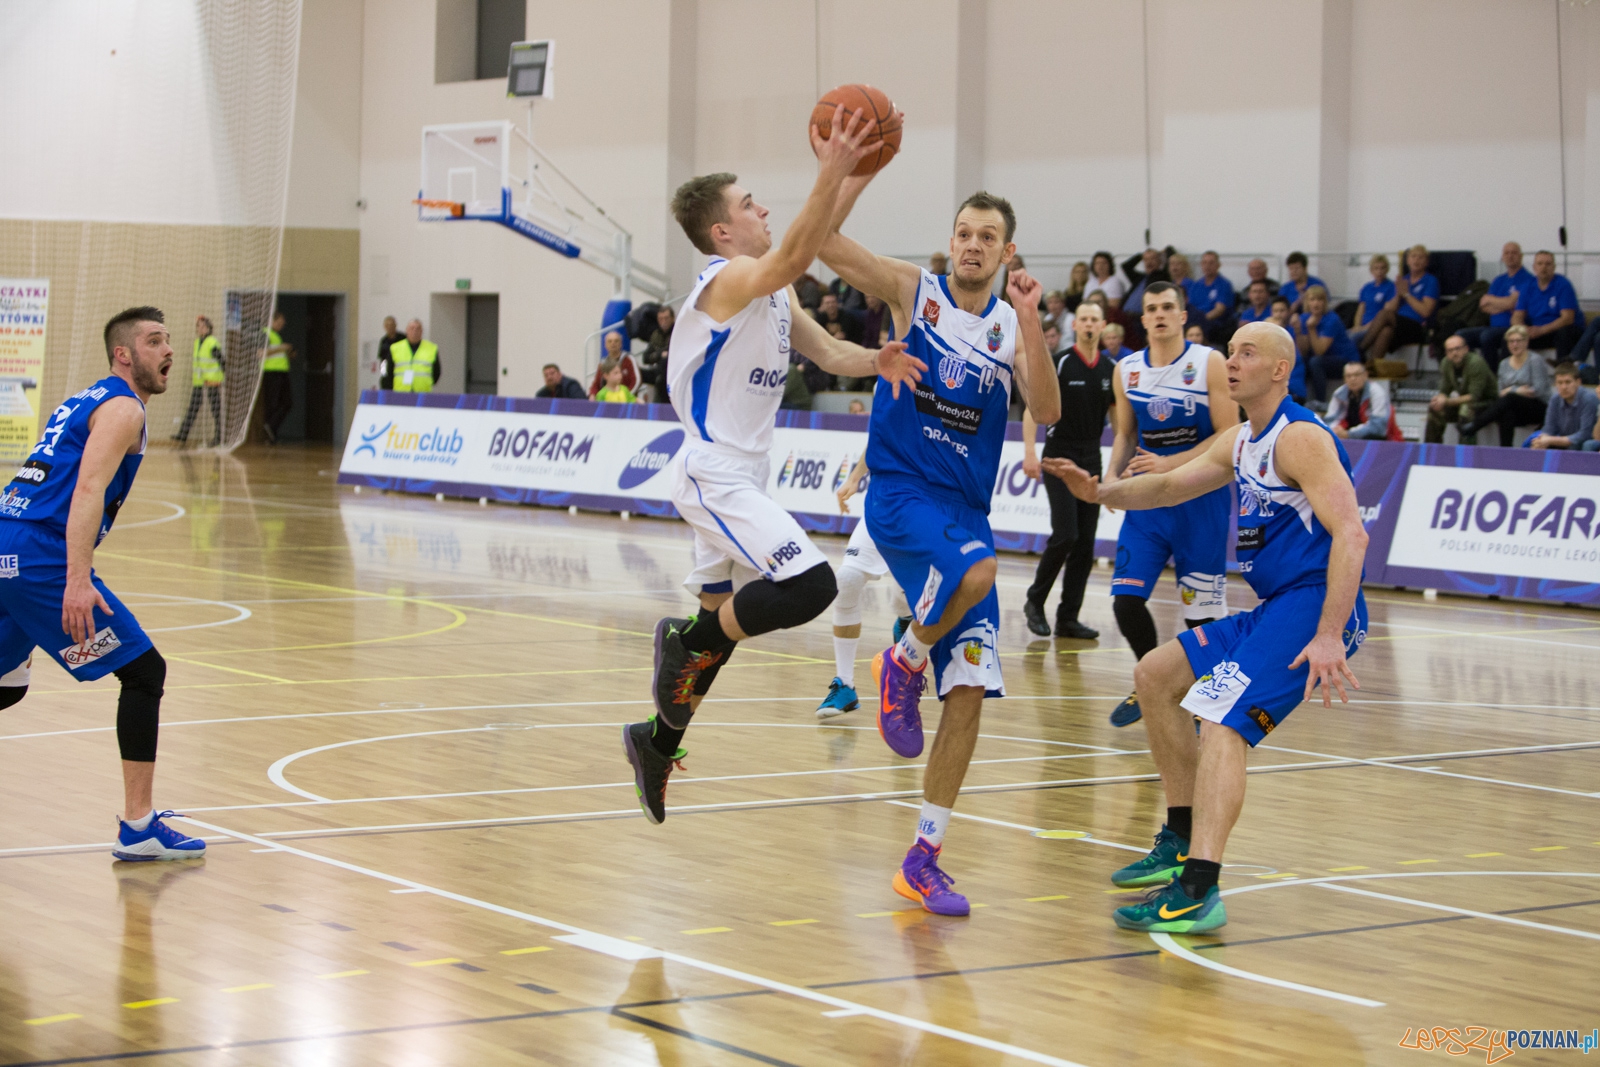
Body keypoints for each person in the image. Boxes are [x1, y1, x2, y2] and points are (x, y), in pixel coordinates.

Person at [622, 107, 926, 828]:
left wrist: (874, 360)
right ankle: (681, 643)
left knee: (714, 632)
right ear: (723, 231)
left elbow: (825, 350)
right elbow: (795, 253)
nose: (763, 208)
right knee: (810, 584)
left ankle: (657, 741)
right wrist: (833, 169)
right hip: (713, 471)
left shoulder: (775, 286)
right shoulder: (725, 279)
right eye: (749, 203)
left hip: (746, 474)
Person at [1042, 321, 1369, 933]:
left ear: (1279, 370)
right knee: (1155, 675)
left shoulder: (1299, 438)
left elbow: (1352, 533)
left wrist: (1329, 634)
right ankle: (1181, 833)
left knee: (1221, 723)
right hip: (1276, 605)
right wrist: (1100, 492)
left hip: (1312, 605)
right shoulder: (1243, 439)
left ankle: (1199, 886)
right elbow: (1166, 486)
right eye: (1229, 352)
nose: (1231, 361)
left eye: (1246, 353)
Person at [820, 183, 1058, 917]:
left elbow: (1046, 411)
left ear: (1007, 250)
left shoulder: (1011, 326)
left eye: (987, 235)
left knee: (969, 692)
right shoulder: (911, 290)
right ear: (950, 240)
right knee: (979, 568)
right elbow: (825, 244)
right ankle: (904, 657)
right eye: (963, 232)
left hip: (962, 508)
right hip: (900, 492)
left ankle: (922, 857)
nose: (973, 244)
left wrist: (1031, 322)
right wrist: (844, 176)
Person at [0, 306, 204, 861]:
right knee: (144, 672)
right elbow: (88, 489)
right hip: (39, 554)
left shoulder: (90, 397)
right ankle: (138, 827)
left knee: (6, 685)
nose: (168, 350)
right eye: (154, 340)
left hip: (9, 540)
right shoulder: (122, 409)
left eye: (168, 339)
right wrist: (76, 579)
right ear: (124, 354)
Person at [1104, 282, 1236, 730]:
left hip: (1201, 500)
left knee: (1201, 614)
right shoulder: (1126, 370)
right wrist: (1109, 480)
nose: (1159, 315)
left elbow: (1228, 434)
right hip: (1149, 502)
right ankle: (1155, 679)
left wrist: (1169, 463)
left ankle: (1202, 698)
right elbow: (1125, 435)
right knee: (1125, 601)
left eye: (1167, 308)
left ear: (1183, 316)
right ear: (1141, 320)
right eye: (1151, 309)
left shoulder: (1208, 363)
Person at [1022, 299, 1114, 641]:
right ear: (1075, 326)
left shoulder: (1110, 369)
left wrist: (1117, 472)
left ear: (1103, 326)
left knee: (1086, 545)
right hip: (1058, 458)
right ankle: (1035, 600)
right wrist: (1030, 451)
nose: (1089, 324)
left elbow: (1120, 426)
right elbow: (1033, 407)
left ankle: (1068, 618)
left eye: (1095, 319)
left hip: (1091, 461)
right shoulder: (1059, 363)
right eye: (1084, 319)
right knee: (1066, 534)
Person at [816, 456, 912, 718]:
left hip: (922, 502)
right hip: (883, 501)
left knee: (904, 596)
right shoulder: (896, 413)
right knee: (847, 579)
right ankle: (845, 685)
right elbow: (878, 435)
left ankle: (905, 620)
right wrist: (855, 477)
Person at [1460, 326, 1552, 446]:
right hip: (1515, 408)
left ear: (1526, 341)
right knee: (1506, 412)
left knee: (1510, 398)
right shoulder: (1504, 364)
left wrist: (1512, 389)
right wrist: (1520, 390)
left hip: (1538, 407)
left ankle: (1475, 426)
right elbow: (1500, 392)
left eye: (1518, 341)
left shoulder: (1535, 360)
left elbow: (1538, 391)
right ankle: (1505, 451)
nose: (1514, 344)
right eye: (1511, 341)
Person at [1457, 242, 1533, 372]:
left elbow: (1513, 303)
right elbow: (1484, 306)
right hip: (1493, 327)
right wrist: (1505, 303)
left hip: (1510, 328)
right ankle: (1469, 374)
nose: (1510, 256)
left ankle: (1492, 377)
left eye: (1514, 253)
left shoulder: (1528, 279)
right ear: (1502, 257)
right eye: (1506, 253)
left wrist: (1495, 302)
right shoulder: (1499, 280)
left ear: (1521, 256)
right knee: (1461, 336)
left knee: (1487, 337)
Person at [1293, 285, 1360, 403]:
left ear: (1325, 302)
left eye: (1320, 299)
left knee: (1315, 361)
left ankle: (1320, 402)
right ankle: (1297, 397)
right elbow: (1303, 350)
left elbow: (1320, 351)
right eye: (1312, 299)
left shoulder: (1332, 319)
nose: (1316, 303)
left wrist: (1311, 329)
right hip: (1325, 359)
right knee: (1300, 360)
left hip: (1346, 360)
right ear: (1307, 302)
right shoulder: (1304, 318)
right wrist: (1298, 331)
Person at [1426, 334, 1496, 445]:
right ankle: (1431, 450)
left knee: (1466, 409)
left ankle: (1465, 454)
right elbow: (1444, 390)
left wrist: (1447, 401)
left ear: (1466, 349)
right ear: (1446, 353)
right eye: (1450, 350)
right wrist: (1439, 399)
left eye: (1458, 349)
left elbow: (1474, 396)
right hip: (1464, 401)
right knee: (1435, 408)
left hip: (1487, 403)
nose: (1454, 353)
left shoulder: (1476, 362)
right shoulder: (1446, 363)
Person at [1513, 250, 1583, 359]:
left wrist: (1541, 330)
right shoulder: (1527, 286)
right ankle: (1508, 374)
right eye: (1540, 264)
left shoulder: (1563, 284)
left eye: (1548, 264)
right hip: (1538, 332)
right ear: (1534, 267)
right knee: (1512, 337)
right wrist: (1524, 330)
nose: (1544, 267)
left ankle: (1563, 371)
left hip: (1562, 329)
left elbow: (1567, 318)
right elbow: (1516, 317)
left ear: (1554, 267)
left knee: (1564, 333)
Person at [175, 315, 223, 447]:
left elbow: (221, 361)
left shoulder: (212, 342)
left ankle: (219, 437)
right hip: (200, 382)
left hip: (212, 382)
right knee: (193, 408)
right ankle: (182, 435)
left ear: (208, 328)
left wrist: (221, 377)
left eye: (203, 326)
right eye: (198, 326)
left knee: (216, 410)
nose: (200, 329)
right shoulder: (197, 342)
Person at [1324, 361, 1402, 440]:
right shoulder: (1339, 394)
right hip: (1347, 438)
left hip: (1380, 441)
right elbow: (1329, 420)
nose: (1353, 379)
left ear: (1365, 375)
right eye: (1348, 376)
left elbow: (1378, 426)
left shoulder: (1377, 392)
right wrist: (1336, 430)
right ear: (1344, 378)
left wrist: (1349, 433)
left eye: (1356, 375)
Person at [1529, 363, 1596, 450]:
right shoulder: (1554, 400)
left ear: (1578, 382)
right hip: (1564, 440)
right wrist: (1541, 441)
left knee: (1577, 445)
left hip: (1584, 443)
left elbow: (1585, 434)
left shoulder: (1588, 399)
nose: (1564, 387)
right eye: (1560, 383)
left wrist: (1550, 440)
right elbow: (1549, 429)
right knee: (1536, 444)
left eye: (1568, 382)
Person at [1349, 253, 1396, 357]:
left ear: (1387, 269)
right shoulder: (1366, 287)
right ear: (1371, 270)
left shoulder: (1391, 287)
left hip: (1374, 327)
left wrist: (1364, 328)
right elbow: (1360, 310)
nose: (1379, 271)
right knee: (1342, 336)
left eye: (1382, 268)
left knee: (1353, 339)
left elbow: (1385, 313)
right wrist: (1357, 326)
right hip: (1362, 326)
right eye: (1376, 268)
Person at [261, 309, 294, 444]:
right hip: (271, 373)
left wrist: (288, 354)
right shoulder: (265, 334)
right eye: (280, 322)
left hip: (281, 372)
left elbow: (277, 354)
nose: (282, 325)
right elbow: (260, 353)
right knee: (273, 403)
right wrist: (281, 348)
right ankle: (270, 432)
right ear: (272, 321)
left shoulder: (276, 336)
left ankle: (272, 429)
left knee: (287, 402)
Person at [385, 318, 441, 394]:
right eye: (412, 328)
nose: (415, 331)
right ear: (407, 331)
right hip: (401, 393)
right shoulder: (395, 348)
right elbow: (389, 371)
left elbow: (436, 373)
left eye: (418, 329)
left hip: (423, 393)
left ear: (421, 332)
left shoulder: (431, 348)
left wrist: (425, 383)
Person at [1191, 251, 1236, 345]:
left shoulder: (1224, 284)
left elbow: (1219, 310)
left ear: (1218, 265)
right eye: (1204, 263)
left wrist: (1200, 320)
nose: (1207, 266)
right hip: (1197, 321)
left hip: (1216, 324)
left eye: (1211, 263)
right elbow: (1191, 307)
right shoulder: (1196, 285)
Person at [1267, 295, 1306, 403]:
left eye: (1282, 310)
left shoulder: (1294, 332)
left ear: (1289, 312)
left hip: (1293, 390)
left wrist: (1298, 331)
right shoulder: (1265, 337)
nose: (1278, 314)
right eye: (1275, 311)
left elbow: (1303, 353)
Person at [639, 305, 675, 399]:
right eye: (660, 319)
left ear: (672, 318)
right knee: (636, 372)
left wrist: (658, 355)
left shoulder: (677, 332)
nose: (663, 322)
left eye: (666, 318)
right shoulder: (656, 334)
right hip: (658, 370)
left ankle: (660, 403)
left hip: (673, 371)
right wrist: (659, 354)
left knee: (663, 366)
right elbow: (646, 358)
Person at [588, 331, 637, 397]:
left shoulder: (629, 359)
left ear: (620, 344)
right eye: (610, 341)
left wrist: (626, 396)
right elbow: (596, 384)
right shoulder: (603, 363)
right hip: (607, 400)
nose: (613, 343)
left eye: (616, 341)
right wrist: (592, 395)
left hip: (626, 401)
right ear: (605, 345)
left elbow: (636, 381)